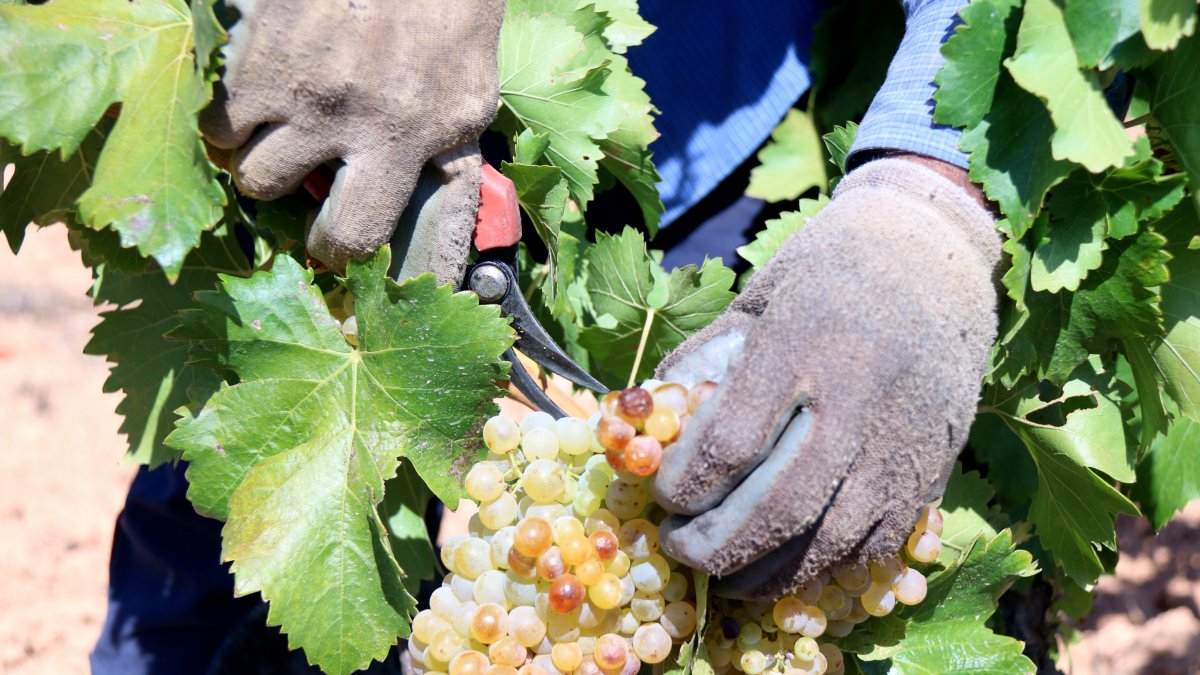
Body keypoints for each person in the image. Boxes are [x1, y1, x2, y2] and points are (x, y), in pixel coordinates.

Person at [91, 0, 1000, 672]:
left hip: (687, 91)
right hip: (321, 78)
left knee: (745, 472)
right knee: (244, 496)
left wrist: (930, 189)